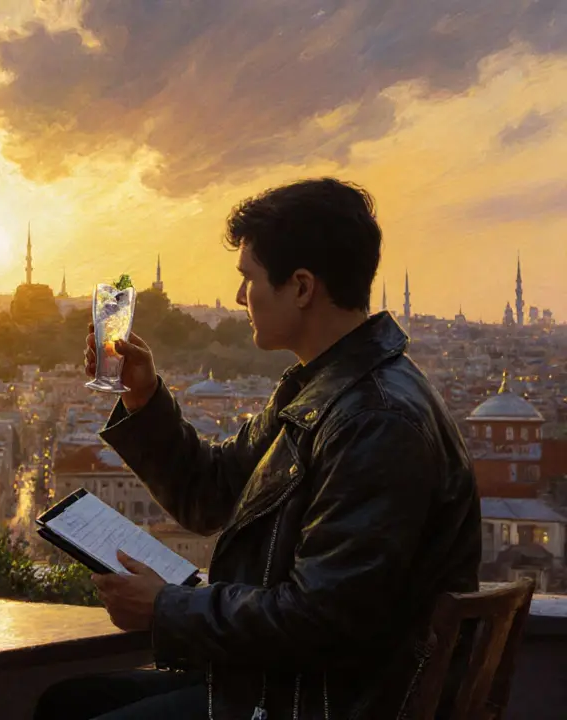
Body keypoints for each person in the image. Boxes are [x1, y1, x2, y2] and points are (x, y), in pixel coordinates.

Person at [35, 179, 480, 719]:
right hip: (293, 686)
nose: (240, 298)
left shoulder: (375, 421)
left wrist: (165, 608)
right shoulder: (324, 391)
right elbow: (211, 492)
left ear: (301, 287)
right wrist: (143, 400)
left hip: (322, 702)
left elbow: (322, 618)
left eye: (248, 279)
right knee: (68, 703)